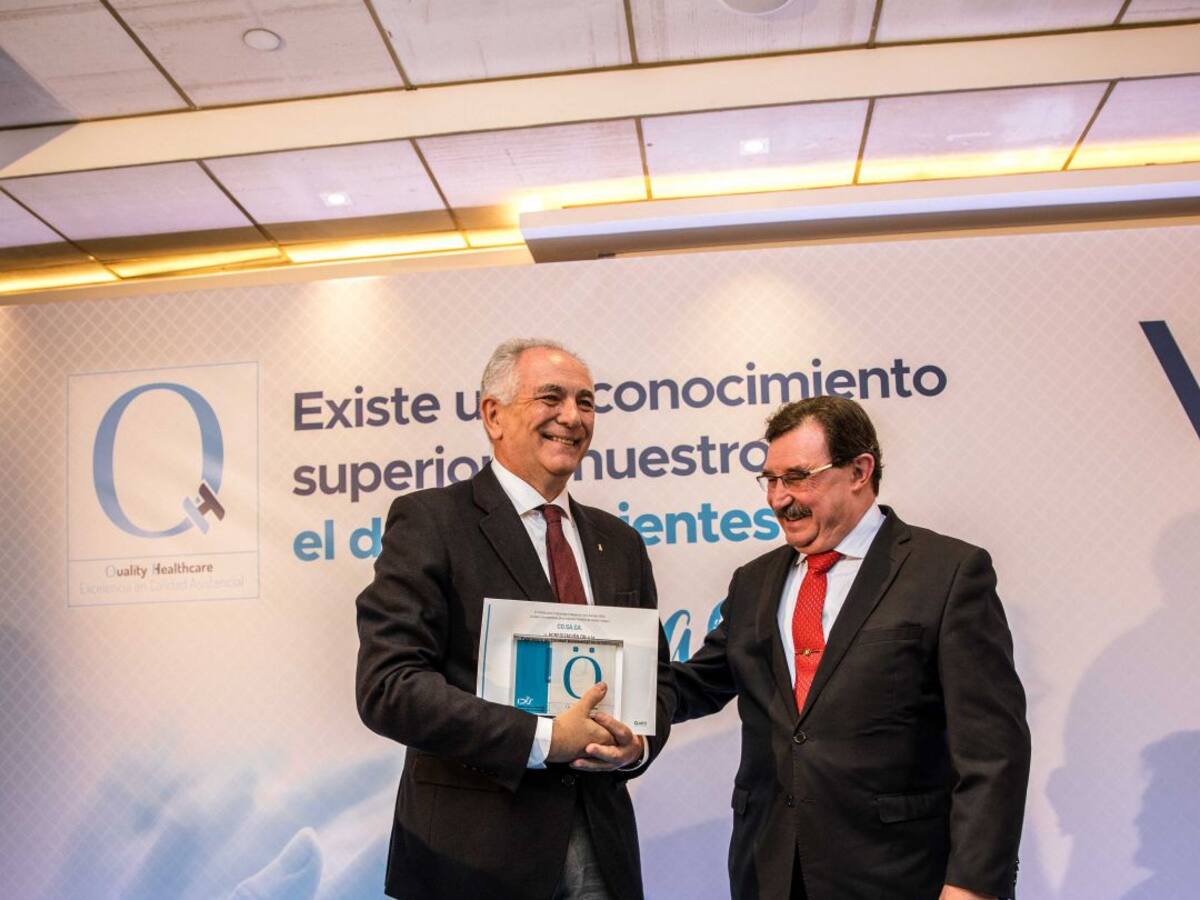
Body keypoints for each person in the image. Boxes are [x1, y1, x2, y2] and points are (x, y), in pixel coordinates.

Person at [671, 395, 1030, 900]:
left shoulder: (948, 573)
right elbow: (697, 683)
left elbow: (993, 751)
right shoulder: (753, 581)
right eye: (770, 480)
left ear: (859, 470)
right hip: (770, 872)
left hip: (900, 875)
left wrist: (973, 884)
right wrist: (615, 687)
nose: (778, 498)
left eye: (798, 477)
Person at [356, 338, 672, 900]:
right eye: (551, 397)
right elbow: (390, 686)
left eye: (586, 402)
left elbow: (658, 681)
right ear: (493, 415)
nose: (572, 417)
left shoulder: (620, 542)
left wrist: (637, 746)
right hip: (471, 857)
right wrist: (544, 737)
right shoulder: (432, 522)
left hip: (602, 852)